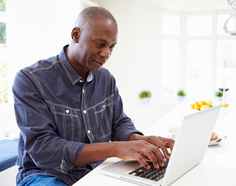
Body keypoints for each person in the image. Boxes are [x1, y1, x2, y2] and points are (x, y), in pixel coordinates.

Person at [12, 6, 174, 186]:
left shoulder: (106, 79)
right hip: (45, 176)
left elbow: (119, 123)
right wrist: (116, 148)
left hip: (96, 171)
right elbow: (44, 149)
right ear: (75, 35)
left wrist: (137, 140)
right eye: (100, 44)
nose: (106, 54)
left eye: (111, 47)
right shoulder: (30, 79)